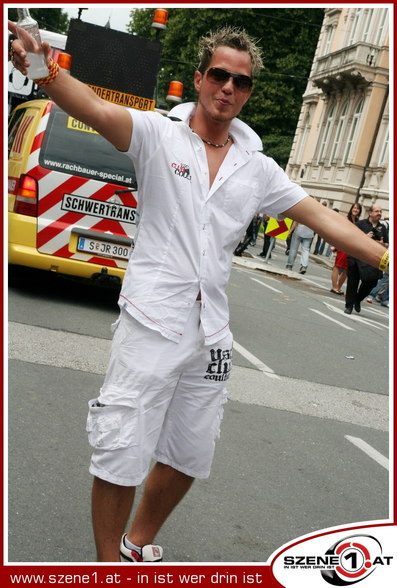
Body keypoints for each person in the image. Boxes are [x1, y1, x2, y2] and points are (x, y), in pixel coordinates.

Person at [9, 21, 389, 563]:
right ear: (200, 78)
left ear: (248, 90)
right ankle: (105, 568)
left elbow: (323, 217)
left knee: (190, 454)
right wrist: (46, 71)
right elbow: (95, 108)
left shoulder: (257, 168)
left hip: (210, 333)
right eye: (219, 75)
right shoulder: (159, 136)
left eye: (241, 81)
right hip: (151, 322)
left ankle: (134, 544)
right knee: (120, 449)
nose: (228, 88)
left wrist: (386, 255)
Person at [344, 205, 388, 314]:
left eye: (380, 211)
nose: (379, 213)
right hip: (356, 257)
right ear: (370, 213)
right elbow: (352, 238)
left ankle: (358, 300)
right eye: (377, 211)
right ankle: (349, 306)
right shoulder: (360, 224)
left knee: (371, 283)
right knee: (352, 283)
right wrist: (365, 237)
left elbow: (387, 244)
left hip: (371, 260)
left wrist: (382, 244)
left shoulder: (382, 228)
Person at [330, 203, 362, 295]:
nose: (356, 210)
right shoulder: (345, 219)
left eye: (358, 209)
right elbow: (339, 232)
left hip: (351, 247)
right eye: (354, 208)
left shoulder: (358, 222)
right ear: (351, 209)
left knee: (347, 268)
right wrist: (335, 245)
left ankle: (338, 287)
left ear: (360, 211)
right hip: (343, 244)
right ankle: (334, 287)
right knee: (337, 265)